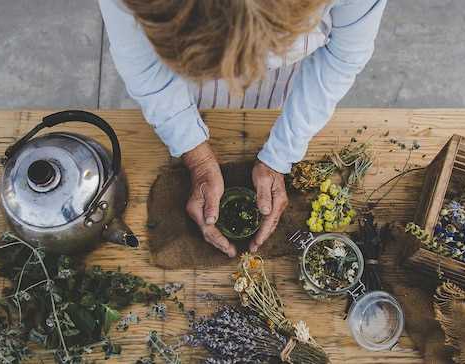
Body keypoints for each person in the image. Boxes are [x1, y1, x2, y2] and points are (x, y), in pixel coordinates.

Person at [99, 0, 387, 257]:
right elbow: (142, 65)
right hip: (186, 85)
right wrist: (195, 155)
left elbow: (342, 55)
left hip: (284, 79)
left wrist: (280, 155)